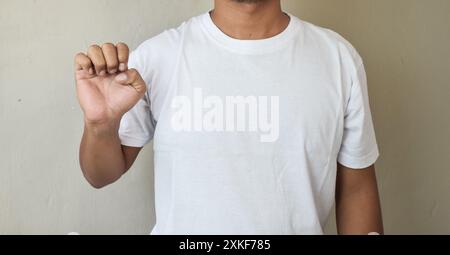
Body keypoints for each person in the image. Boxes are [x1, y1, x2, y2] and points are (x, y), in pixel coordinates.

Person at [74, 0, 383, 235]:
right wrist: (101, 125)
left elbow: (356, 189)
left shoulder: (338, 59)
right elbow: (100, 175)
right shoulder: (157, 57)